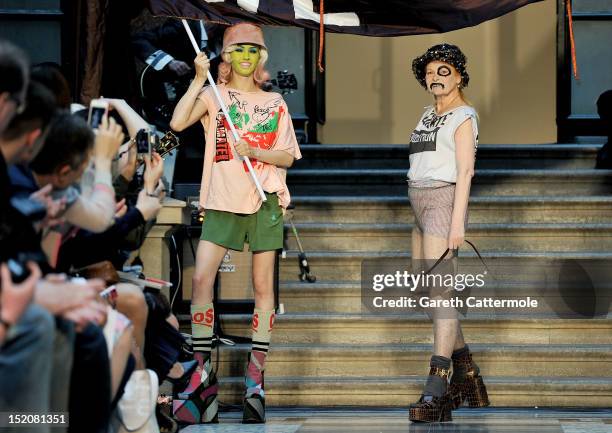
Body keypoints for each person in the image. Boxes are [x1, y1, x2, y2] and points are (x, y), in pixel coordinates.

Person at [170, 23, 302, 424]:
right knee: (199, 281)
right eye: (237, 49)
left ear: (260, 56)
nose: (245, 56)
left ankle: (255, 382)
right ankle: (202, 381)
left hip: (265, 202)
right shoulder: (215, 94)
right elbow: (177, 124)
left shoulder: (275, 102)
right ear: (226, 56)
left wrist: (254, 147)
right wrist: (196, 78)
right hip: (222, 201)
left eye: (252, 50)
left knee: (263, 287)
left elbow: (288, 156)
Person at [407, 44, 489, 423]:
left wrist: (457, 223)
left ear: (459, 76)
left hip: (442, 201)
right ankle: (467, 374)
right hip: (418, 202)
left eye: (445, 71)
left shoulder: (464, 115)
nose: (436, 77)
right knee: (426, 293)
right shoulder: (427, 114)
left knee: (440, 293)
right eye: (430, 71)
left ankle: (437, 388)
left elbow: (466, 171)